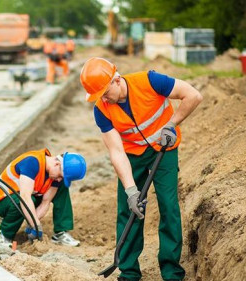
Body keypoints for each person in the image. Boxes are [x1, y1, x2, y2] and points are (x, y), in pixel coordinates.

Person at [79, 57, 203, 281]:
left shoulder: (150, 81)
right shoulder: (102, 110)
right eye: (99, 97)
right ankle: (129, 272)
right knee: (128, 209)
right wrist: (131, 191)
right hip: (132, 155)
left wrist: (172, 125)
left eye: (105, 93)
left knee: (169, 206)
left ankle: (171, 272)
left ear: (116, 80)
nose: (104, 99)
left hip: (164, 148)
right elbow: (116, 152)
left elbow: (193, 95)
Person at [0, 148, 86, 248]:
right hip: (3, 201)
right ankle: (3, 233)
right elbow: (25, 197)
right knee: (20, 200)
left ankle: (60, 233)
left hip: (28, 199)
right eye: (60, 176)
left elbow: (46, 201)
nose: (59, 179)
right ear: (57, 164)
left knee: (62, 188)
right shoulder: (32, 162)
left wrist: (33, 224)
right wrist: (36, 224)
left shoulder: (55, 173)